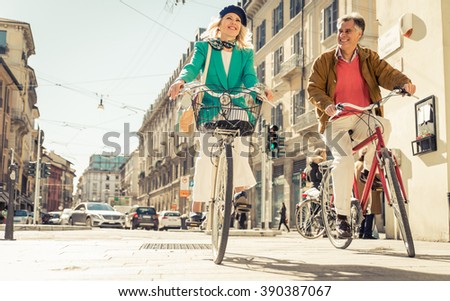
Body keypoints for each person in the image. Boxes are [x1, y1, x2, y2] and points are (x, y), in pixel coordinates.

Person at [307, 12, 416, 238]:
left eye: (348, 30)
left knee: (384, 125)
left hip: (362, 115)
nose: (342, 35)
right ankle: (342, 218)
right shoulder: (325, 60)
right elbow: (313, 89)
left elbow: (387, 74)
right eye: (340, 30)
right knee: (344, 160)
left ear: (359, 34)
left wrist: (404, 83)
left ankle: (367, 170)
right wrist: (327, 105)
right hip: (334, 120)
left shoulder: (369, 58)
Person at [167, 5, 273, 214]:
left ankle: (239, 191)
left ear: (241, 27)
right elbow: (193, 67)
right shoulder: (205, 46)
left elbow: (249, 77)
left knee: (240, 146)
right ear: (220, 22)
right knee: (206, 154)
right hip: (210, 104)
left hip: (236, 104)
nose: (234, 23)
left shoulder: (245, 52)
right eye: (229, 18)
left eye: (238, 21)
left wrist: (260, 90)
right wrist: (181, 80)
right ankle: (198, 206)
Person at [355, 149, 382, 239]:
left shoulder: (356, 164)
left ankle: (361, 231)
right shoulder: (367, 165)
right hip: (369, 190)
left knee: (362, 211)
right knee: (371, 211)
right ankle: (367, 233)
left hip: (358, 192)